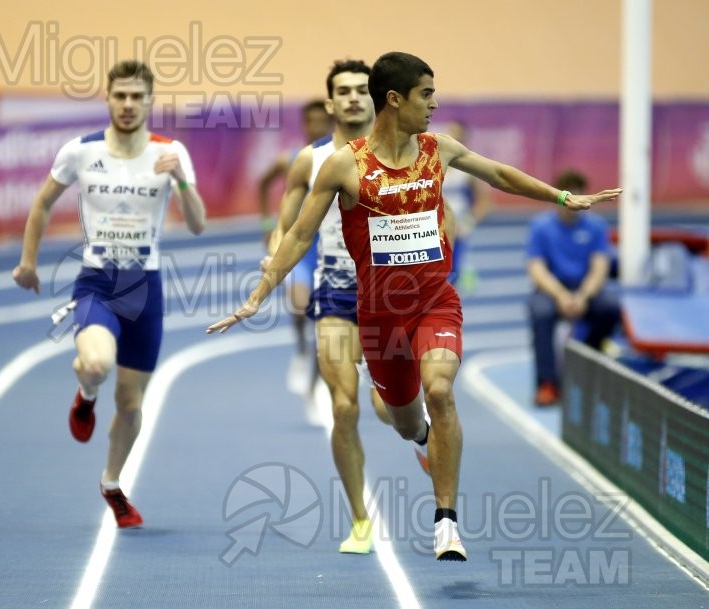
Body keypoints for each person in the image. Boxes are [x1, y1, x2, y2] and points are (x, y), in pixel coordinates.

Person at [208, 51, 621, 561]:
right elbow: (297, 234)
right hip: (377, 316)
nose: (435, 103)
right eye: (426, 94)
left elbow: (498, 174)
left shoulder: (437, 148)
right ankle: (422, 436)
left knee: (441, 389)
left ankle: (445, 521)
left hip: (434, 303)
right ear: (396, 99)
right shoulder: (343, 165)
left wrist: (560, 197)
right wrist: (257, 296)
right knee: (402, 418)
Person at [12, 60, 207, 528]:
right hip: (98, 282)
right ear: (108, 98)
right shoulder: (80, 151)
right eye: (120, 96)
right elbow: (42, 202)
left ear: (149, 101)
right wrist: (28, 263)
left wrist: (180, 179)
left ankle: (112, 484)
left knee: (131, 403)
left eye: (137, 97)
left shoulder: (171, 151)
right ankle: (85, 391)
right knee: (97, 363)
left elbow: (199, 224)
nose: (127, 105)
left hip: (145, 289)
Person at [266, 59, 399, 554]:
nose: (351, 98)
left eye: (361, 90)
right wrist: (275, 255)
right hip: (336, 294)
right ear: (329, 104)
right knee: (343, 407)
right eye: (342, 91)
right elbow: (288, 223)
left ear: (379, 97)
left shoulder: (401, 156)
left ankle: (422, 430)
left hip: (391, 297)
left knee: (389, 410)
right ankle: (360, 520)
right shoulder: (310, 160)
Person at [258, 100, 334, 399]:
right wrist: (267, 224)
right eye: (310, 121)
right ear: (303, 124)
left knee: (323, 322)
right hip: (299, 246)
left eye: (321, 121)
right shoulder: (289, 160)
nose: (316, 127)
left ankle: (316, 385)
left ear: (330, 124)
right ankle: (302, 351)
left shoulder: (340, 160)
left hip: (329, 248)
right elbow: (263, 184)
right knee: (300, 308)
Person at [526, 170, 620, 406]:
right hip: (553, 289)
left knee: (610, 308)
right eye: (568, 193)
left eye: (578, 192)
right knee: (540, 312)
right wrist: (561, 295)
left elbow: (600, 267)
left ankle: (585, 362)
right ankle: (547, 383)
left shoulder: (596, 227)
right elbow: (537, 269)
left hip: (584, 289)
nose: (573, 199)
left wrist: (583, 297)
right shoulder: (541, 227)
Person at [440, 120, 491, 289]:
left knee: (452, 275)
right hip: (435, 226)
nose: (453, 138)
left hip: (459, 229)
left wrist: (468, 222)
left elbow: (484, 201)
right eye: (450, 135)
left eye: (457, 136)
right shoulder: (435, 164)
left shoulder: (468, 169)